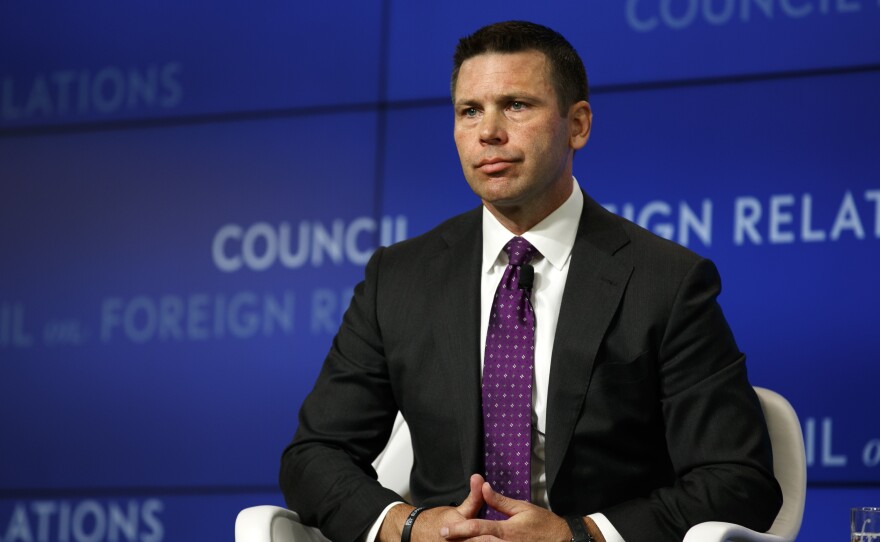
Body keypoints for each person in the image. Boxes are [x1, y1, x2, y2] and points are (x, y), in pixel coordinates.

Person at [280, 20, 782, 542]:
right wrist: (411, 526)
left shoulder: (667, 282)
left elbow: (737, 480)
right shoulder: (399, 278)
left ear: (578, 125)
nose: (488, 131)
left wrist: (578, 535)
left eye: (516, 105)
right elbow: (315, 456)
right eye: (469, 111)